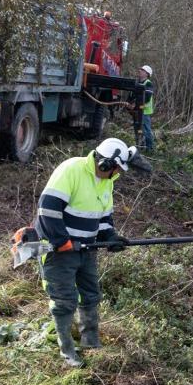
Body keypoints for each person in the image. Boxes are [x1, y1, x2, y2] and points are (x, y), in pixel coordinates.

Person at [36, 138, 136, 367]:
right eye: (115, 168)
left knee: (90, 295)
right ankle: (67, 351)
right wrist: (62, 241)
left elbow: (103, 218)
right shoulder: (71, 169)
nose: (116, 174)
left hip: (86, 249)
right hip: (58, 250)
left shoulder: (107, 182)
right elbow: (47, 210)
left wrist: (110, 238)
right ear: (104, 163)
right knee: (64, 300)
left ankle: (91, 343)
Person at [131, 65, 155, 152]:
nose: (140, 70)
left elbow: (147, 97)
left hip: (145, 111)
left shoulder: (148, 83)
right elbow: (133, 96)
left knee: (146, 130)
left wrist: (136, 105)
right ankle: (139, 146)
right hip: (138, 111)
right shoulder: (138, 83)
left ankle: (150, 148)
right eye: (140, 69)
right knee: (137, 129)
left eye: (142, 70)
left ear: (147, 74)